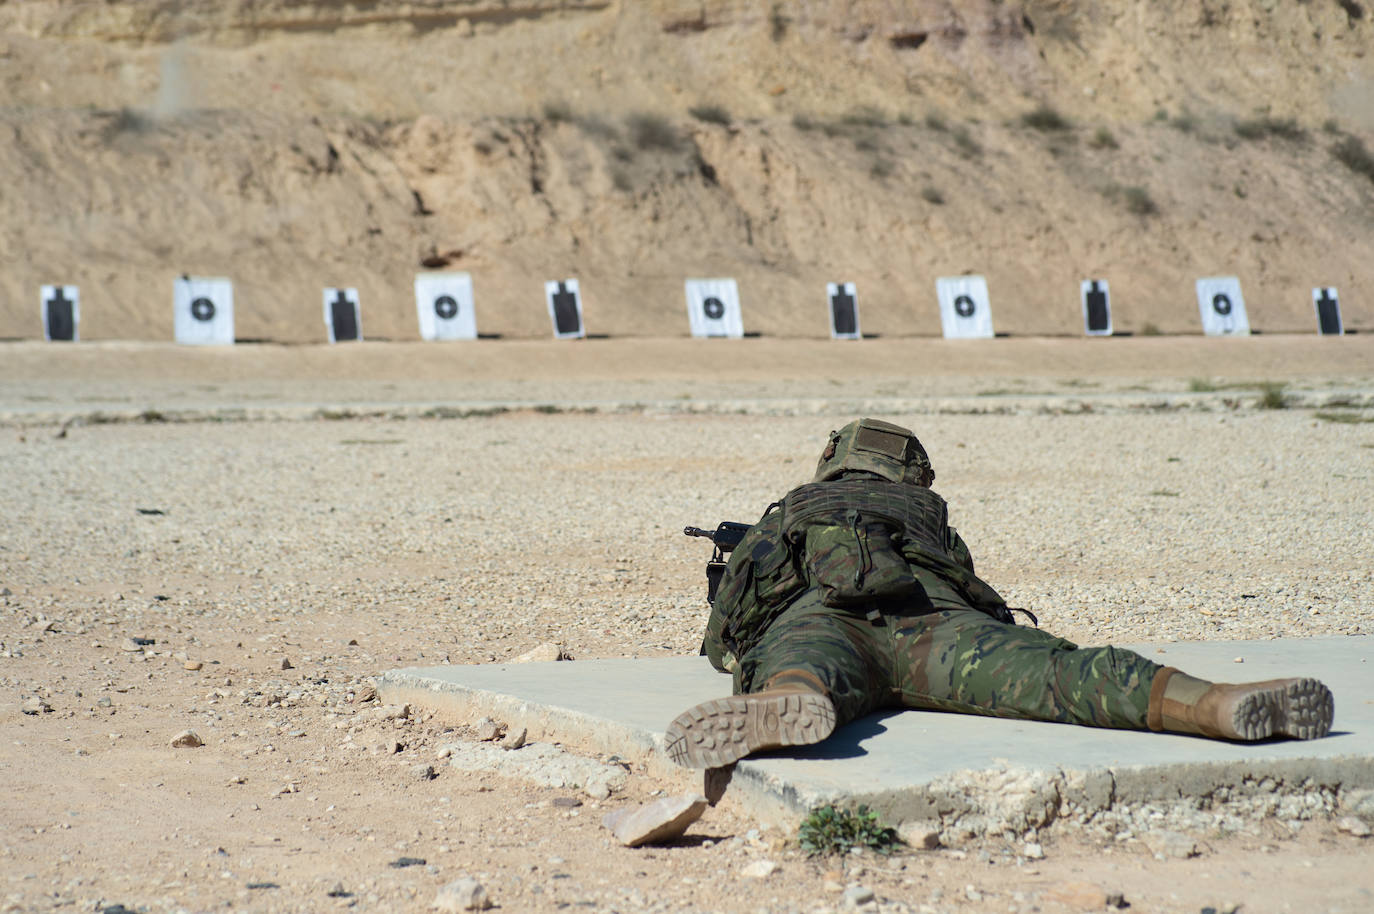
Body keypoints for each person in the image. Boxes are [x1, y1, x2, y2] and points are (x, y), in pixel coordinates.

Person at [664, 418, 1334, 769]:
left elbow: (730, 628)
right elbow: (966, 584)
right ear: (910, 472)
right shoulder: (924, 512)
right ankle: (1211, 704)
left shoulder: (797, 507)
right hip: (939, 629)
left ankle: (790, 700)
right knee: (1063, 673)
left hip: (823, 622)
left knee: (802, 667)